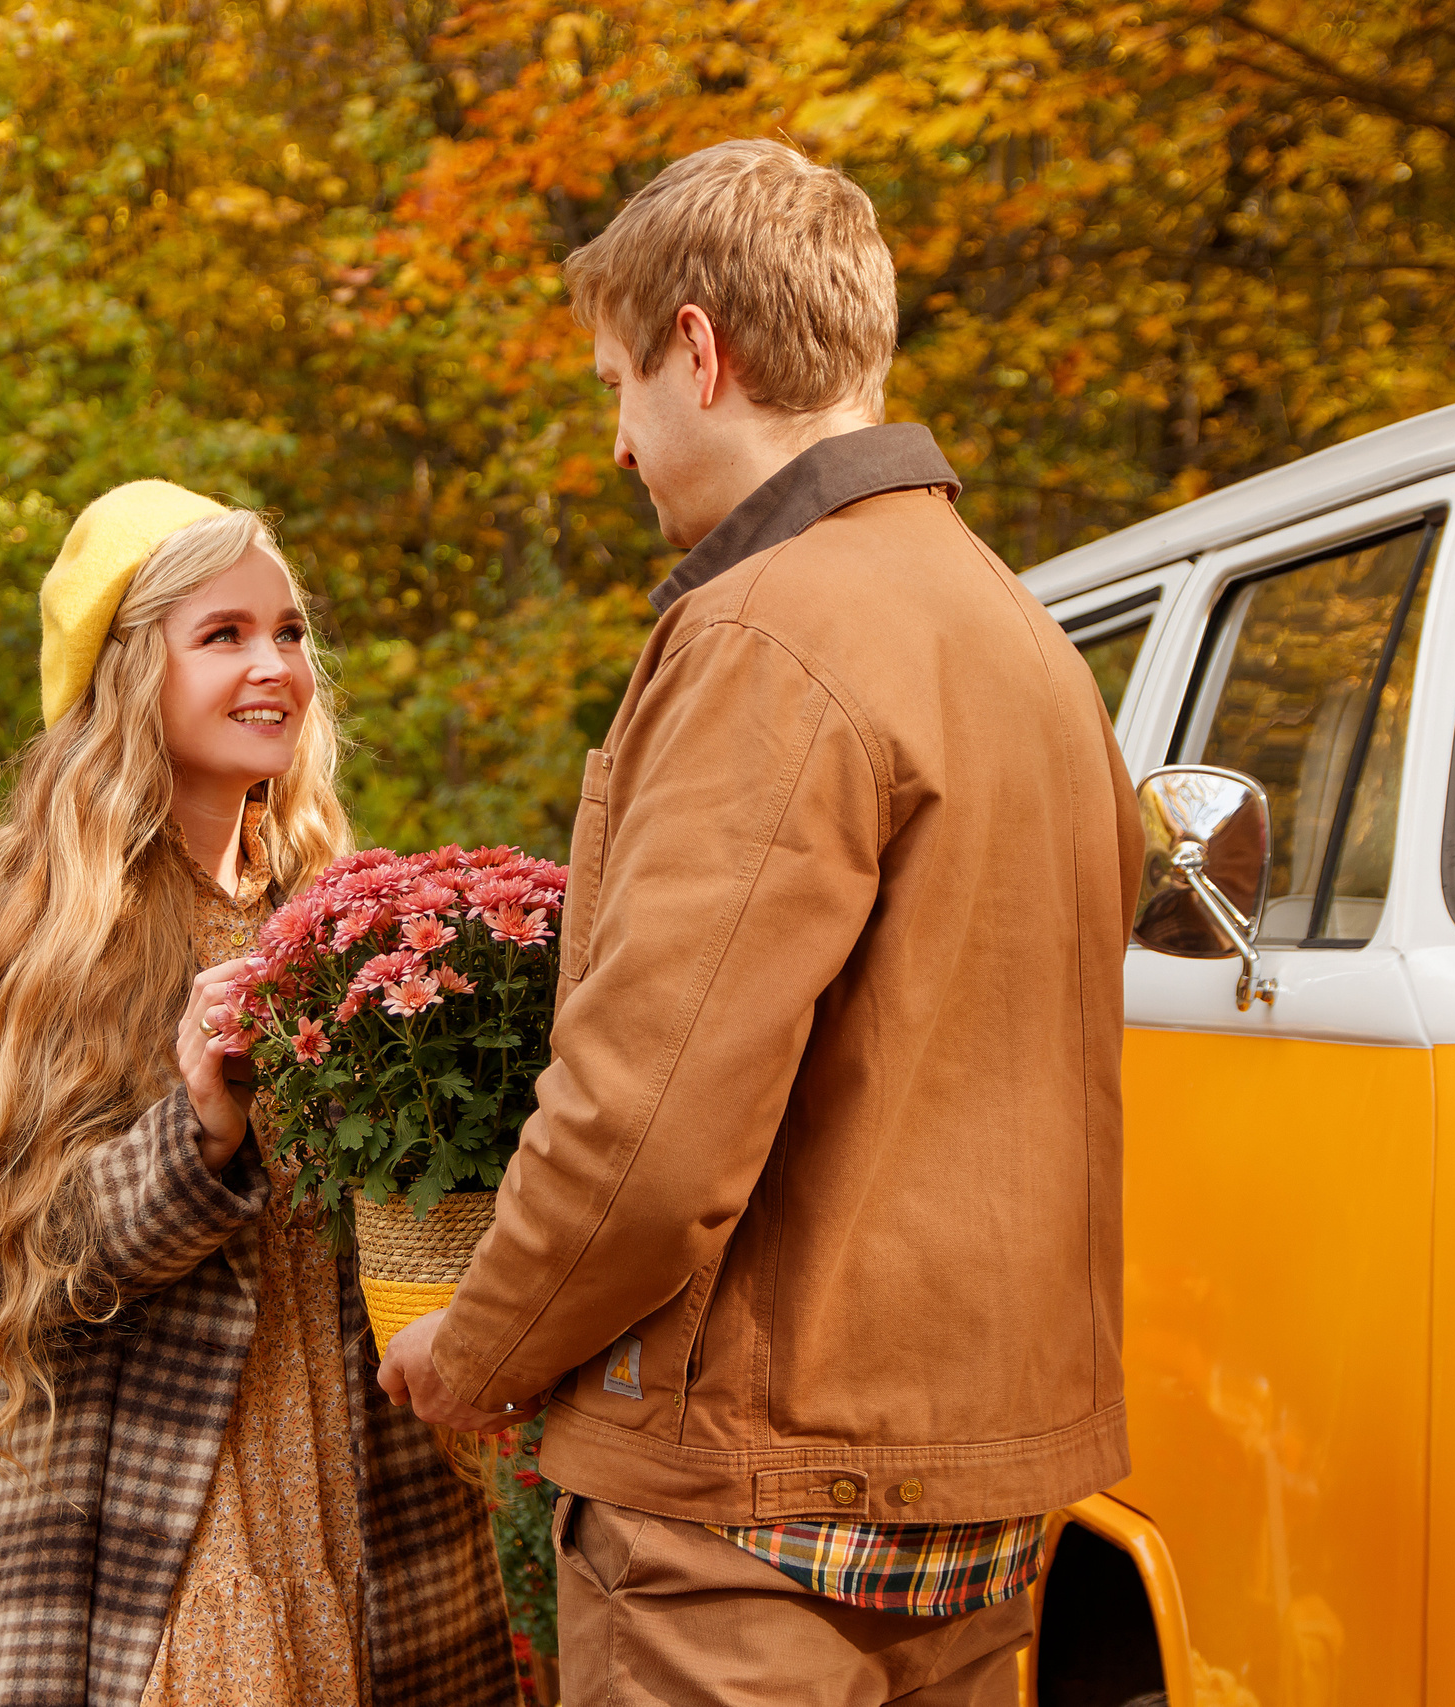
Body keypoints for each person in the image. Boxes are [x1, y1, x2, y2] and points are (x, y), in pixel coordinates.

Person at [379, 140, 1146, 1704]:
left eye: (619, 383)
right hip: (976, 1499)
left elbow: (649, 1129)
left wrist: (481, 1346)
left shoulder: (765, 633)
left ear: (701, 351)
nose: (617, 442)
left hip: (749, 1520)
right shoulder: (1026, 637)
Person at [0, 483, 516, 1707]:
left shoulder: (334, 914)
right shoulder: (41, 937)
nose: (272, 664)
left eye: (287, 632)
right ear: (128, 675)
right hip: (155, 1521)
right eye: (221, 635)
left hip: (359, 1494)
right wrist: (197, 1138)